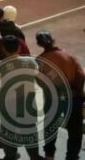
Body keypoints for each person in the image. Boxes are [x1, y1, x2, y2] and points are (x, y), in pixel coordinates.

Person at [35, 31, 83, 160]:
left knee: (50, 128)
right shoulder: (68, 55)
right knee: (75, 130)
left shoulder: (40, 60)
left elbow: (40, 81)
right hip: (73, 96)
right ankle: (72, 156)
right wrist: (79, 92)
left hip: (53, 99)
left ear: (39, 44)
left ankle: (49, 155)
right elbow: (81, 75)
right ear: (53, 40)